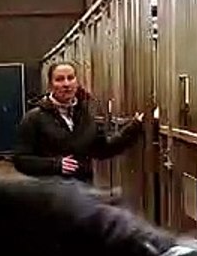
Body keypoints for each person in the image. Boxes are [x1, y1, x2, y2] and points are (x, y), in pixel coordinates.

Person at [12, 60, 144, 182]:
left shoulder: (88, 115)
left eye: (70, 78)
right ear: (50, 85)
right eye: (59, 79)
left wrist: (133, 127)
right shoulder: (34, 118)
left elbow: (103, 150)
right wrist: (55, 165)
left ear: (77, 82)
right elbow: (21, 159)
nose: (66, 84)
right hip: (50, 195)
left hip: (81, 193)